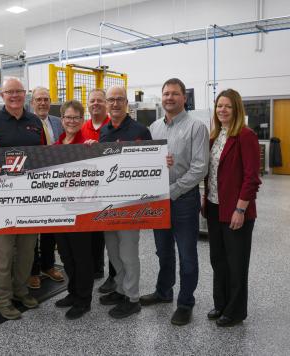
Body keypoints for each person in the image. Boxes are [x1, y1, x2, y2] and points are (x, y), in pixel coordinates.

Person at [141, 78, 209, 326]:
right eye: (166, 93)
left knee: (188, 254)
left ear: (184, 98)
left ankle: (185, 303)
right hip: (159, 200)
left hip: (184, 200)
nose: (169, 97)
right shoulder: (154, 127)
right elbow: (147, 162)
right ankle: (163, 292)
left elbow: (200, 168)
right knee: (163, 251)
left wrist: (173, 190)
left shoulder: (196, 127)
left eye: (175, 94)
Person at [0, 77, 44, 320]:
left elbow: (44, 155)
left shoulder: (35, 122)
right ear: (1, 95)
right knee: (3, 251)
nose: (14, 96)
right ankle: (1, 300)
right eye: (9, 92)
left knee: (27, 249)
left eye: (18, 91)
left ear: (25, 94)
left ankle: (21, 290)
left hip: (30, 194)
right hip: (4, 195)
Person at [203, 89, 261, 327]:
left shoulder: (245, 136)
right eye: (219, 106)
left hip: (236, 210)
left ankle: (235, 311)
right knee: (218, 260)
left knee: (236, 263)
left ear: (236, 109)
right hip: (215, 207)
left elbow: (251, 178)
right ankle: (221, 303)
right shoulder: (215, 136)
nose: (222, 110)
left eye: (227, 106)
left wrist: (240, 210)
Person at [98, 86, 152, 319]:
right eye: (111, 100)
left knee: (128, 253)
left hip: (131, 205)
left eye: (119, 100)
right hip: (109, 204)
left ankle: (132, 298)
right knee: (114, 252)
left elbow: (151, 164)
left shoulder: (140, 130)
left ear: (127, 102)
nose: (115, 104)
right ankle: (120, 289)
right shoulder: (104, 132)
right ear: (106, 104)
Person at [53, 99, 94, 319]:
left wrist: (92, 150)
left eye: (76, 117)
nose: (71, 121)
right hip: (60, 211)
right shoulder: (56, 146)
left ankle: (83, 299)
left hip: (81, 210)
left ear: (82, 120)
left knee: (81, 257)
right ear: (62, 120)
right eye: (68, 117)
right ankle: (72, 292)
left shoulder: (87, 143)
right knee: (67, 256)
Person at [27, 86, 64, 290]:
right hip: (33, 183)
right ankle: (33, 270)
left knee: (51, 227)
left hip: (54, 182)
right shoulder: (27, 123)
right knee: (33, 228)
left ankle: (48, 265)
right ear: (32, 102)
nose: (42, 103)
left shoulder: (58, 122)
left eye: (46, 99)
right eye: (38, 99)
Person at [82, 88, 117, 294]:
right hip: (88, 191)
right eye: (92, 101)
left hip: (110, 190)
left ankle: (114, 275)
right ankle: (97, 269)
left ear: (106, 104)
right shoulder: (82, 127)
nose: (96, 104)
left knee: (112, 236)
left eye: (99, 101)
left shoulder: (112, 127)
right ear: (88, 104)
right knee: (93, 233)